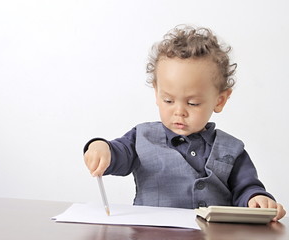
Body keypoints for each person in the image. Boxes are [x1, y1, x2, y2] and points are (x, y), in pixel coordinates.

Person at [83, 25, 286, 221]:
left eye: (193, 103)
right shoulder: (141, 137)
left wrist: (256, 198)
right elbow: (119, 154)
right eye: (168, 100)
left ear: (220, 100)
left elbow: (246, 188)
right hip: (153, 234)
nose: (179, 111)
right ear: (156, 93)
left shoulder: (232, 149)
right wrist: (101, 148)